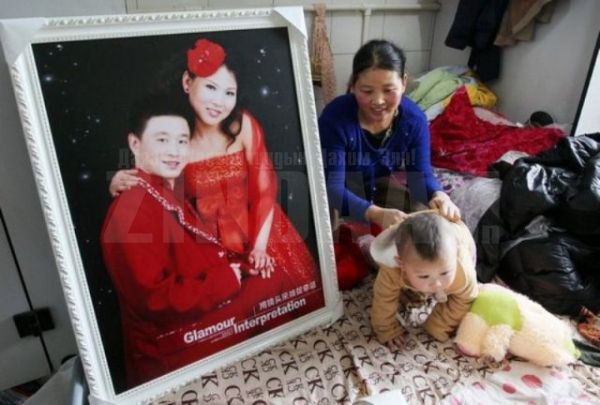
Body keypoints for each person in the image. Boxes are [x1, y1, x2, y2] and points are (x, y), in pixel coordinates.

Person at [101, 93, 301, 387]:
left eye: (182, 141)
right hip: (174, 343)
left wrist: (240, 268)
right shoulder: (130, 208)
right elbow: (153, 300)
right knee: (274, 289)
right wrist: (228, 279)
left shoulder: (164, 189)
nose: (174, 151)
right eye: (162, 140)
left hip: (196, 310)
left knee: (274, 280)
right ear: (135, 143)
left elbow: (198, 252)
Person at [110, 38, 320, 287]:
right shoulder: (176, 136)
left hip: (261, 233)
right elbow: (159, 189)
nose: (219, 102)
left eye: (229, 93)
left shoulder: (242, 125)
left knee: (286, 290)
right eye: (211, 87)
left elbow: (264, 190)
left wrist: (259, 248)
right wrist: (119, 181)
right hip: (210, 245)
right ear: (187, 82)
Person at [319, 39, 461, 232]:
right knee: (327, 230)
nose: (378, 101)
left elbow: (420, 177)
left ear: (403, 83)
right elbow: (332, 187)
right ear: (353, 85)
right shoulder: (335, 118)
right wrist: (375, 214)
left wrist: (438, 195)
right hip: (337, 190)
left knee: (426, 220)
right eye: (367, 91)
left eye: (388, 90)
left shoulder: (413, 120)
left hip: (376, 185)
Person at [369, 210, 478, 350]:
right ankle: (366, 242)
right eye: (424, 276)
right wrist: (386, 329)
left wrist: (439, 324)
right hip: (408, 238)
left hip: (460, 237)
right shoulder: (392, 268)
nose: (437, 283)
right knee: (376, 266)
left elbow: (465, 299)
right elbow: (384, 298)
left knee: (445, 315)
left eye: (444, 273)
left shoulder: (462, 272)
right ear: (402, 264)